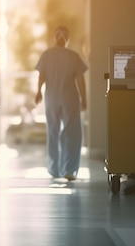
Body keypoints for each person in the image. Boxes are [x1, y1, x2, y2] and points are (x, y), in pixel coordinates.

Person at [34, 26, 88, 181]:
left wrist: (38, 92)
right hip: (69, 98)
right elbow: (80, 80)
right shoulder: (73, 56)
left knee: (53, 132)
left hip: (52, 98)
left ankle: (54, 170)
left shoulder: (47, 55)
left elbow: (41, 75)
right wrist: (84, 99)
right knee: (72, 133)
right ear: (68, 38)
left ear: (54, 37)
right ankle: (69, 170)